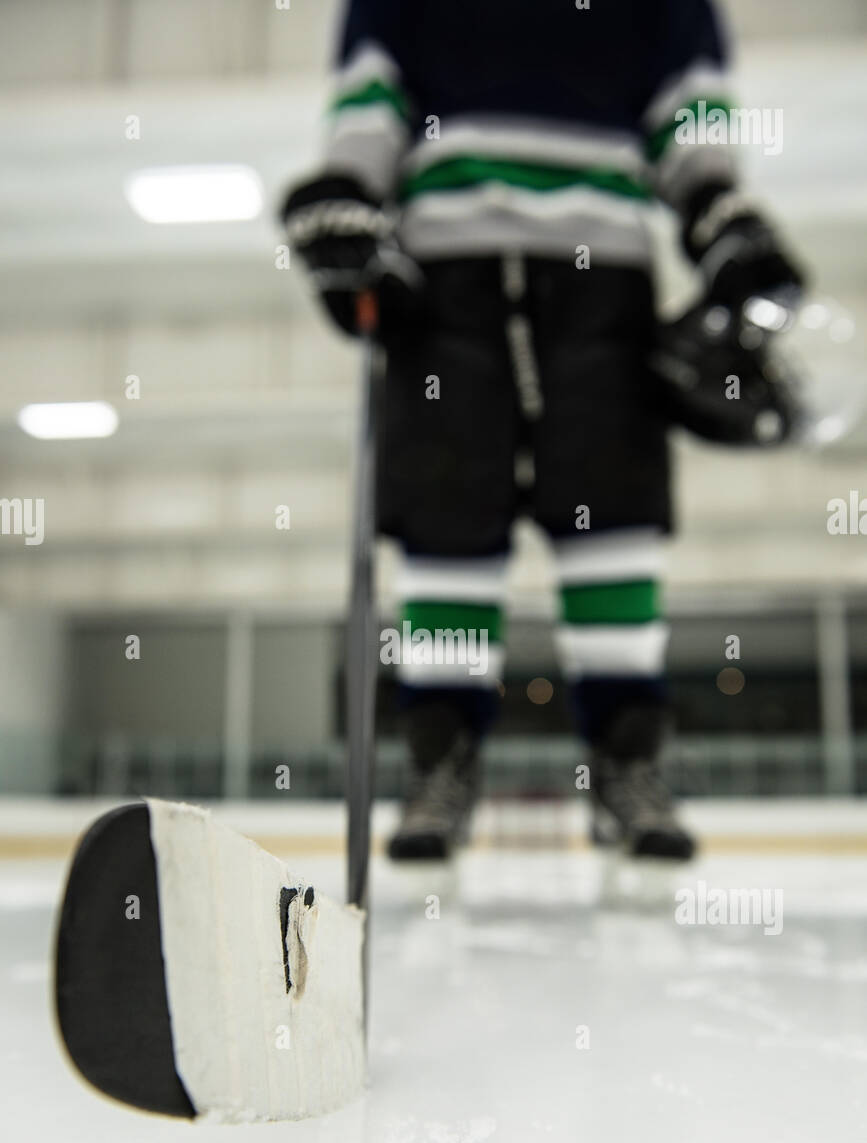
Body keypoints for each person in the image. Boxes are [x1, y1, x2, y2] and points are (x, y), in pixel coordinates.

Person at [282, 0, 802, 862]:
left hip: (605, 273)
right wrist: (349, 187)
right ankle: (441, 763)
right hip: (441, 275)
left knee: (614, 518)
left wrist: (715, 204)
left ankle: (625, 765)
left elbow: (689, 101)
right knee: (448, 520)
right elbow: (374, 91)